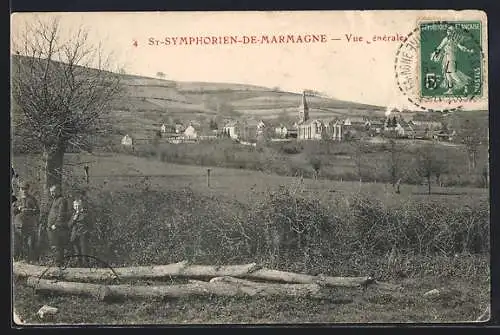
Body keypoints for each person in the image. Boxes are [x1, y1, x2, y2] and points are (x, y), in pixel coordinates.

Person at [430, 25, 475, 95]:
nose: (449, 31)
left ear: (453, 32)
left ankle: (466, 85)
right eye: (448, 30)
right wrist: (433, 53)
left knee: (453, 74)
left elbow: (461, 47)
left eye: (451, 30)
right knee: (447, 75)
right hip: (445, 59)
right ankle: (450, 90)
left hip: (451, 58)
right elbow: (440, 47)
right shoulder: (445, 39)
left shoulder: (455, 40)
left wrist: (469, 50)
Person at [12, 181, 40, 262]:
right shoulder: (16, 199)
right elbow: (13, 210)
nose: (24, 190)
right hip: (18, 225)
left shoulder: (32, 199)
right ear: (20, 189)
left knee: (30, 243)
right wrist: (18, 208)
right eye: (22, 189)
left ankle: (30, 260)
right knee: (18, 243)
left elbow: (37, 210)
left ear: (28, 189)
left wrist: (28, 210)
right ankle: (19, 259)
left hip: (29, 225)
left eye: (26, 189)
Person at [46, 184, 71, 267]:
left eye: (53, 191)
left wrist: (56, 224)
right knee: (54, 245)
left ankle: (59, 264)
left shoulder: (62, 200)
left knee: (58, 246)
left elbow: (61, 214)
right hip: (51, 227)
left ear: (59, 191)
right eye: (51, 192)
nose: (52, 193)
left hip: (57, 227)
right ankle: (58, 263)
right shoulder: (55, 200)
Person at [68, 198, 90, 267]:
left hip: (83, 234)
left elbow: (90, 224)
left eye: (78, 206)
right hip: (75, 235)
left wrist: (86, 231)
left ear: (81, 206)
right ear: (73, 207)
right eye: (75, 206)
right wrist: (74, 218)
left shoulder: (85, 214)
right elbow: (69, 225)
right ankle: (78, 265)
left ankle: (85, 266)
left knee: (84, 251)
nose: (77, 207)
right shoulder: (73, 215)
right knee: (77, 251)